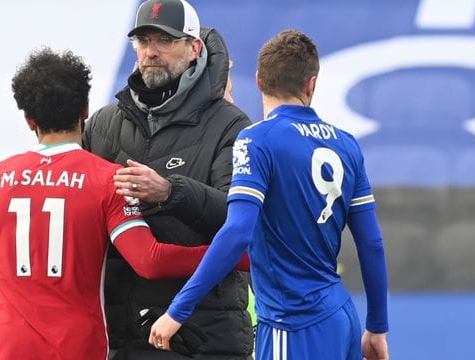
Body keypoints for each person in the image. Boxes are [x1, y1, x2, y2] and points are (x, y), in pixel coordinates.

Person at [0, 0, 254, 358]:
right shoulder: (105, 123)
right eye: (143, 41)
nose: (151, 52)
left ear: (193, 48)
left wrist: (170, 191)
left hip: (199, 333)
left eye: (164, 40)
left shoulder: (233, 126)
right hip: (123, 334)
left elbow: (241, 220)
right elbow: (62, 169)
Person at [149, 29, 390, 360]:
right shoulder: (346, 144)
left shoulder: (256, 140)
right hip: (341, 317)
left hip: (291, 323)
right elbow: (372, 243)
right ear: (312, 84)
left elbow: (236, 233)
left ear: (260, 81)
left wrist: (178, 309)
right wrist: (377, 326)